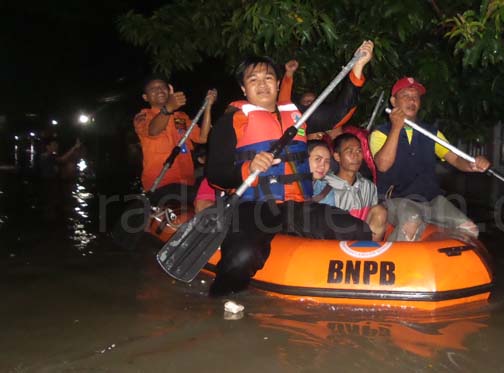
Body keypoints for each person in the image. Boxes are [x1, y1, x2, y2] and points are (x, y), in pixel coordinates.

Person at [205, 41, 375, 296]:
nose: (262, 84)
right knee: (241, 259)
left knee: (358, 230)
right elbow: (215, 175)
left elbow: (340, 113)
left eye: (268, 77)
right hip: (254, 206)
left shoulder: (298, 114)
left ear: (277, 83)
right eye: (253, 79)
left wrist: (358, 69)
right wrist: (247, 168)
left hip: (296, 206)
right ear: (243, 88)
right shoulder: (231, 121)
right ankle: (219, 301)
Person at [369, 77, 490, 241]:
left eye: (416, 96)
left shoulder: (432, 133)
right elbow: (383, 165)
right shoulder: (380, 133)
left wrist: (472, 165)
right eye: (406, 95)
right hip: (397, 200)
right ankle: (393, 264)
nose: (412, 100)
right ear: (393, 101)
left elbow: (455, 159)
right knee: (412, 221)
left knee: (469, 229)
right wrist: (397, 127)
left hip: (432, 200)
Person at [133, 76, 217, 206]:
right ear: (146, 97)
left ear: (169, 90)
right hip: (160, 184)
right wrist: (168, 108)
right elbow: (153, 131)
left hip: (187, 182)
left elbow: (202, 137)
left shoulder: (181, 117)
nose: (159, 90)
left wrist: (208, 107)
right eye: (153, 89)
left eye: (162, 86)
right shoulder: (143, 117)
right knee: (204, 199)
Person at [312, 134, 387, 241]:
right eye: (349, 151)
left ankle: (369, 253)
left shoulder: (369, 187)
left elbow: (375, 221)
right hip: (332, 243)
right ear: (337, 156)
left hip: (361, 244)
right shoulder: (324, 185)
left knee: (380, 212)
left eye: (359, 151)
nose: (355, 156)